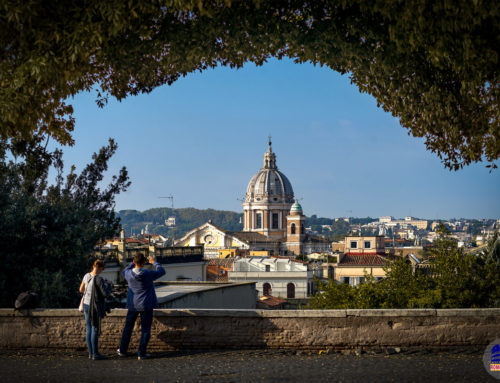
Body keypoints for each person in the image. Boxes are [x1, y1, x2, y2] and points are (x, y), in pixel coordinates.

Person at [118, 253, 165, 360]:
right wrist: (154, 262)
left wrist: (133, 262)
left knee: (128, 328)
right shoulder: (147, 273)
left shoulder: (128, 273)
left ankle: (122, 350)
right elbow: (162, 271)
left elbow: (126, 269)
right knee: (145, 329)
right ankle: (141, 353)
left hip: (132, 305)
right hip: (146, 304)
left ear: (134, 262)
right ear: (144, 263)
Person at [79, 259, 111, 360]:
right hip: (95, 306)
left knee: (88, 329)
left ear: (93, 266)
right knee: (94, 329)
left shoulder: (86, 276)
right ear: (101, 268)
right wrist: (108, 286)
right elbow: (105, 294)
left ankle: (90, 353)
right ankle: (95, 354)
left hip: (86, 304)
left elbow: (81, 289)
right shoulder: (99, 279)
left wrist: (88, 292)